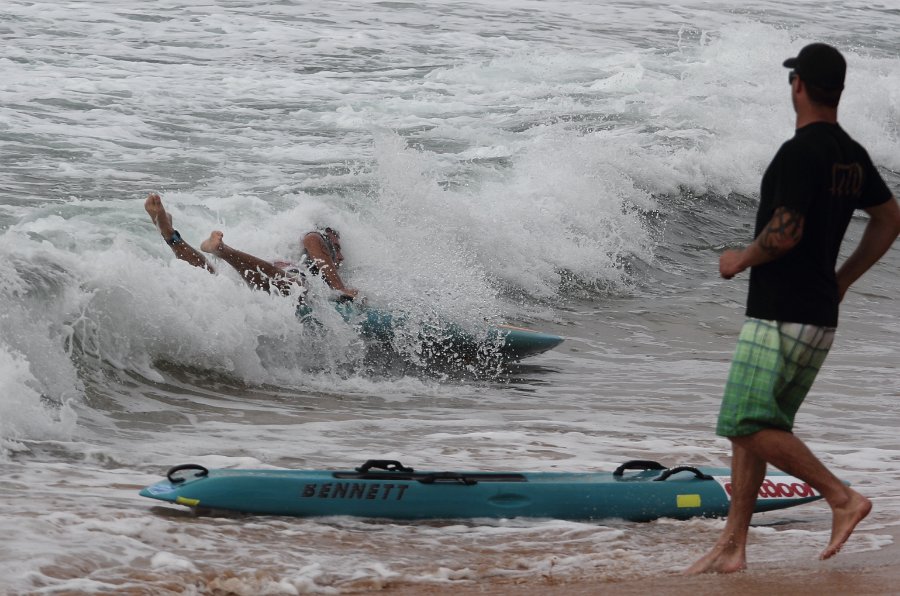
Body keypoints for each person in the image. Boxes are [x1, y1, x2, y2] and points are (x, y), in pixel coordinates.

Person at [686, 43, 900, 575]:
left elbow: (785, 233)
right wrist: (842, 281)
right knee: (762, 424)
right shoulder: (850, 154)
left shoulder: (799, 152)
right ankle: (733, 546)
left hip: (780, 311)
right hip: (818, 315)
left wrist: (739, 259)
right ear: (838, 91)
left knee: (742, 421)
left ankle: (842, 498)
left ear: (798, 85)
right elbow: (889, 218)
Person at [144, 193, 355, 301]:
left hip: (260, 267)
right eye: (337, 248)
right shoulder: (317, 244)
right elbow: (312, 239)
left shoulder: (318, 263)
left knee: (212, 277)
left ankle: (171, 236)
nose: (341, 256)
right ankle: (223, 251)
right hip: (286, 271)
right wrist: (340, 288)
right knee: (296, 289)